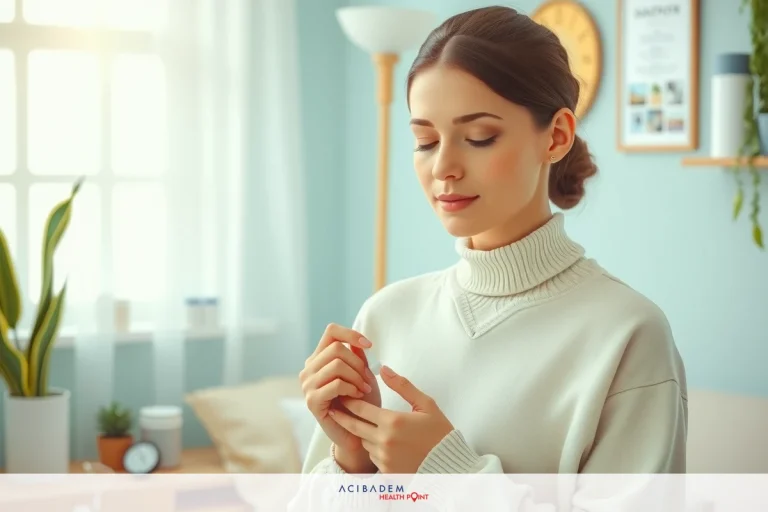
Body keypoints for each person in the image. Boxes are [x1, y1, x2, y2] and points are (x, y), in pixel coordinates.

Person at [298, 5, 688, 481]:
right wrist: (354, 464)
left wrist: (447, 474)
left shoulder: (628, 334)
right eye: (425, 141)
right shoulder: (384, 317)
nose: (443, 167)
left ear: (557, 136)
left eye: (479, 137)